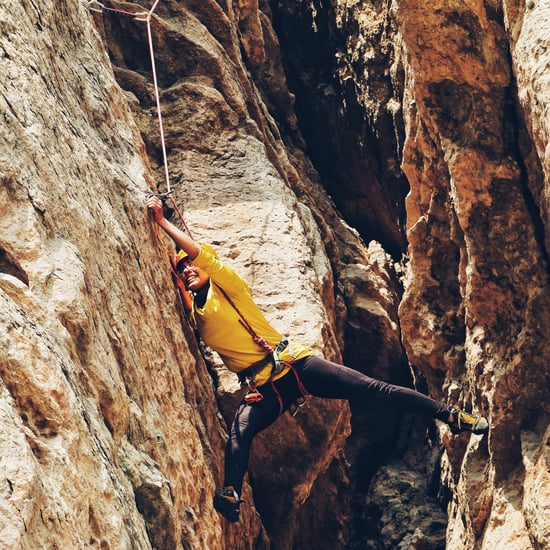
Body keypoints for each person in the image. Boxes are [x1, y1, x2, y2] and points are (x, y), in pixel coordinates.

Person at [145, 195, 489, 523]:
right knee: (239, 435)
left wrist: (163, 220)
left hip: (294, 364)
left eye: (193, 266)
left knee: (375, 389)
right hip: (264, 388)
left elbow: (195, 252)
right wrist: (174, 262)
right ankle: (231, 493)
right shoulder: (196, 314)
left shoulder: (230, 286)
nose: (188, 270)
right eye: (182, 270)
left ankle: (452, 416)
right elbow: (181, 275)